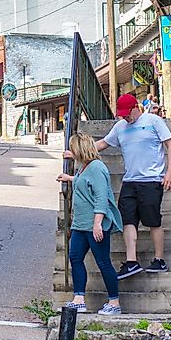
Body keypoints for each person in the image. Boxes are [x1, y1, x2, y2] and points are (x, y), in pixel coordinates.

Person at [70, 93, 171, 279]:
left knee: (153, 221)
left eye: (127, 113)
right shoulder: (120, 127)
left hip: (151, 180)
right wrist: (76, 153)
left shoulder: (153, 121)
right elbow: (103, 143)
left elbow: (170, 144)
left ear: (136, 107)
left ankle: (159, 260)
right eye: (122, 114)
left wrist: (170, 172)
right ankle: (131, 261)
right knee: (127, 219)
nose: (125, 117)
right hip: (129, 181)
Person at [58, 132, 124, 315]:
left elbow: (101, 197)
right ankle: (78, 299)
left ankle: (114, 303)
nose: (71, 152)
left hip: (94, 224)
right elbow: (84, 182)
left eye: (73, 148)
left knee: (103, 262)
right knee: (75, 257)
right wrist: (70, 178)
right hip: (80, 224)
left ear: (81, 149)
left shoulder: (97, 167)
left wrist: (97, 224)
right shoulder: (84, 166)